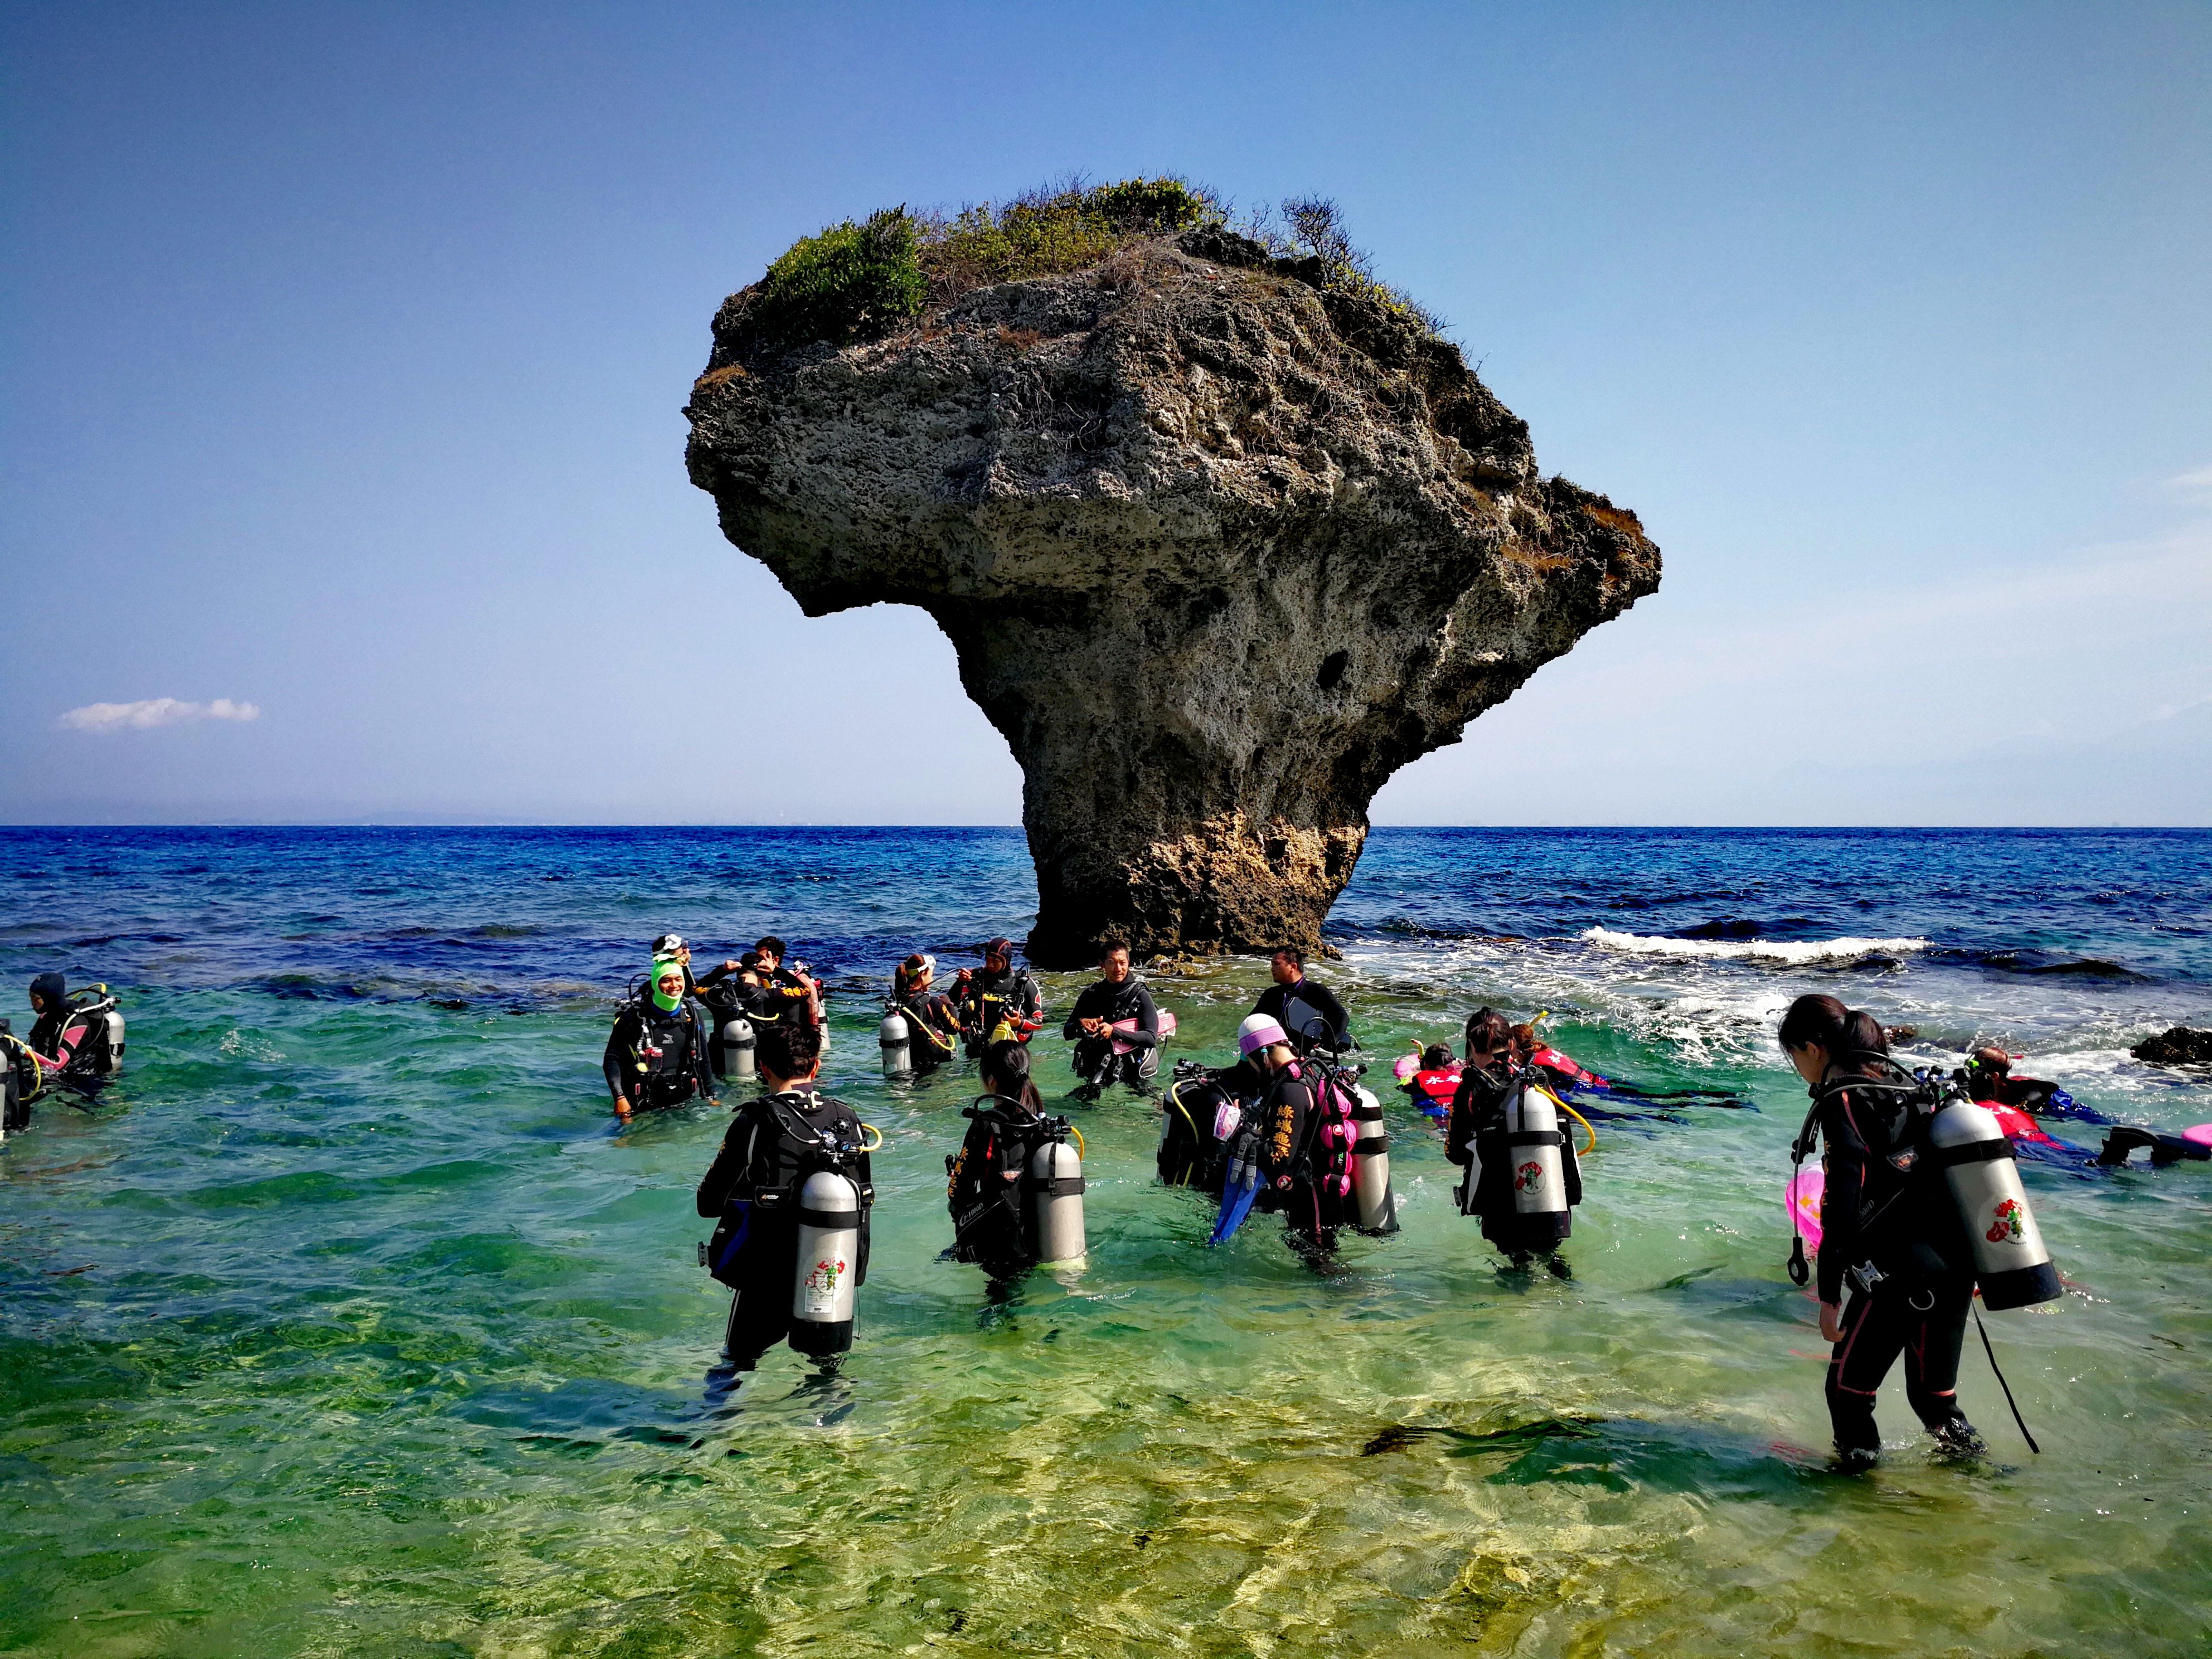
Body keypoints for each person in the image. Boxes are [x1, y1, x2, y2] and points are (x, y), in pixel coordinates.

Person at [1779, 993, 1983, 1469]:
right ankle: (1982, 1482)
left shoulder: (1842, 1100)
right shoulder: (1907, 1087)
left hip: (1900, 1276)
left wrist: (1829, 1298)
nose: (1798, 1067)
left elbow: (1842, 1209)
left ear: (1812, 1049)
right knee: (1934, 1401)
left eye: (1793, 1056)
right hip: (1956, 1266)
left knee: (1847, 1393)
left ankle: (1854, 1490)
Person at [695, 1020, 874, 1371]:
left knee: (736, 1364)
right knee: (827, 1370)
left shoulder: (755, 1121)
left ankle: (719, 1410)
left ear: (763, 1068)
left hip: (767, 1279)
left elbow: (708, 1204)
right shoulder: (848, 1119)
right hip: (829, 1273)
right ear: (815, 1066)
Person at [1448, 1008, 1580, 1273]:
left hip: (1502, 1210)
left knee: (1516, 1267)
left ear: (1470, 1046)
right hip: (1550, 1200)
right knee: (1551, 1257)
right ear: (1511, 1043)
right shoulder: (1537, 1080)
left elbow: (1456, 1154)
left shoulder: (1470, 1088)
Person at [944, 1040, 1057, 1273]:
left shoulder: (986, 1125)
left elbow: (959, 1193)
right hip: (1042, 1237)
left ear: (991, 1080)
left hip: (1002, 1244)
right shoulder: (1040, 1124)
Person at [1246, 1012, 1355, 1248]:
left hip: (1312, 1198)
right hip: (1320, 1192)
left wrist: (1244, 1140)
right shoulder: (1308, 1070)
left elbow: (1280, 1157)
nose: (1253, 1068)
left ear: (1262, 1055)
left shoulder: (1290, 1090)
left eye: (1250, 1061)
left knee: (1319, 1257)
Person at [602, 959, 716, 1120]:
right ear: (656, 983)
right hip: (641, 1100)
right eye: (666, 980)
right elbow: (612, 1058)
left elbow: (703, 1057)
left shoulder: (692, 1014)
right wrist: (620, 1097)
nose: (674, 986)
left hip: (683, 1097)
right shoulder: (634, 1016)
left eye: (678, 979)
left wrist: (710, 1096)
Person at [1063, 938, 1161, 1101]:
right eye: (1112, 963)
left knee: (1151, 1104)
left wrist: (1114, 1032)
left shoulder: (1140, 995)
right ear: (1102, 964)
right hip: (1096, 1066)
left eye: (1122, 963)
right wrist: (1081, 1024)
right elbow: (1067, 1032)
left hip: (1131, 1069)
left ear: (1129, 963)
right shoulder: (1091, 994)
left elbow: (1151, 1038)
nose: (1118, 969)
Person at [1250, 948, 1353, 1052]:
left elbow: (1341, 1016)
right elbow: (1251, 1022)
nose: (1272, 969)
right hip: (1283, 1052)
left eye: (1276, 964)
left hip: (1312, 1054)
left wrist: (1328, 1045)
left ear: (1293, 967)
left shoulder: (1315, 992)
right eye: (1272, 965)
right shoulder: (1271, 995)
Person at [956, 938, 1043, 1056]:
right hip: (978, 1048)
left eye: (996, 961)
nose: (990, 965)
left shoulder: (1023, 983)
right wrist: (960, 982)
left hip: (1010, 1050)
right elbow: (951, 1002)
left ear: (1006, 960)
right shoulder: (975, 977)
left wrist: (1019, 1023)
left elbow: (1038, 1021)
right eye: (988, 959)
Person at [25, 973, 108, 1083]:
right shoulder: (46, 1016)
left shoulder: (77, 1022)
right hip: (53, 1075)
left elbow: (58, 1065)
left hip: (81, 1082)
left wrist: (23, 1051)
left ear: (50, 998)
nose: (32, 1003)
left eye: (36, 999)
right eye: (31, 997)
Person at [889, 953, 963, 1070]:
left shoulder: (898, 1000)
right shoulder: (931, 1002)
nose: (932, 980)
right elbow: (955, 1028)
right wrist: (949, 1004)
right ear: (922, 975)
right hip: (929, 1067)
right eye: (931, 975)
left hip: (905, 1063)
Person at [1396, 1042, 1460, 1118]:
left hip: (1437, 1112)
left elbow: (1402, 1088)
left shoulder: (1419, 1078)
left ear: (1426, 1065)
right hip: (1462, 1109)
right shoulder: (1461, 1075)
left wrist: (1407, 1078)